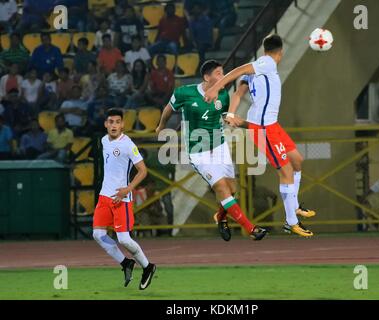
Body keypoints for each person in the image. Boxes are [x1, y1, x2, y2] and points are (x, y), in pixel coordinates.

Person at [204, 34, 316, 237]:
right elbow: (239, 71)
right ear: (280, 53)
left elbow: (238, 94)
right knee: (286, 172)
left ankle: (295, 206)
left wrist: (230, 113)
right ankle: (291, 221)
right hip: (264, 129)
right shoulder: (267, 63)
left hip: (272, 125)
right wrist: (215, 87)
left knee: (297, 160)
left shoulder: (258, 69)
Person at [156, 60, 267, 241]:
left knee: (232, 190)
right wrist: (161, 126)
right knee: (221, 187)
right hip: (198, 151)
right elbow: (169, 108)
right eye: (218, 73)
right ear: (207, 77)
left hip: (220, 146)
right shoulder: (185, 93)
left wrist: (248, 125)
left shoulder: (223, 95)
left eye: (223, 73)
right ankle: (251, 229)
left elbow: (225, 117)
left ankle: (221, 217)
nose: (223, 77)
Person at [92, 108, 156, 290]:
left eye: (117, 122)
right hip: (104, 197)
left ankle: (147, 266)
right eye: (110, 122)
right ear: (106, 124)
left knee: (124, 240)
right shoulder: (103, 140)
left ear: (123, 124)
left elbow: (143, 171)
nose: (114, 125)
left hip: (122, 199)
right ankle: (126, 263)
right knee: (98, 235)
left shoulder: (128, 144)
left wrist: (127, 189)